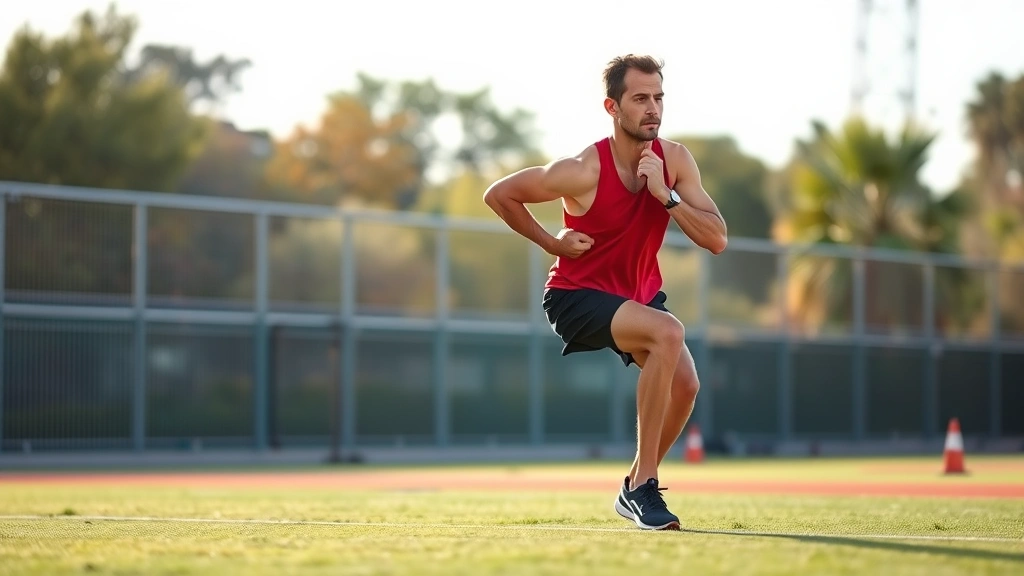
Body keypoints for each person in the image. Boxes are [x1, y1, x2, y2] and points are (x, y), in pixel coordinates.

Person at [482, 54, 728, 531]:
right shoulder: (583, 169)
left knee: (686, 385)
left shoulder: (674, 163)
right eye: (640, 99)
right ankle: (643, 488)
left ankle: (633, 483)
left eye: (658, 97)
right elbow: (499, 194)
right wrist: (552, 242)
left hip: (636, 296)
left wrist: (667, 196)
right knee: (668, 331)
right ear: (612, 108)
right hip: (576, 296)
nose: (652, 108)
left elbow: (716, 238)